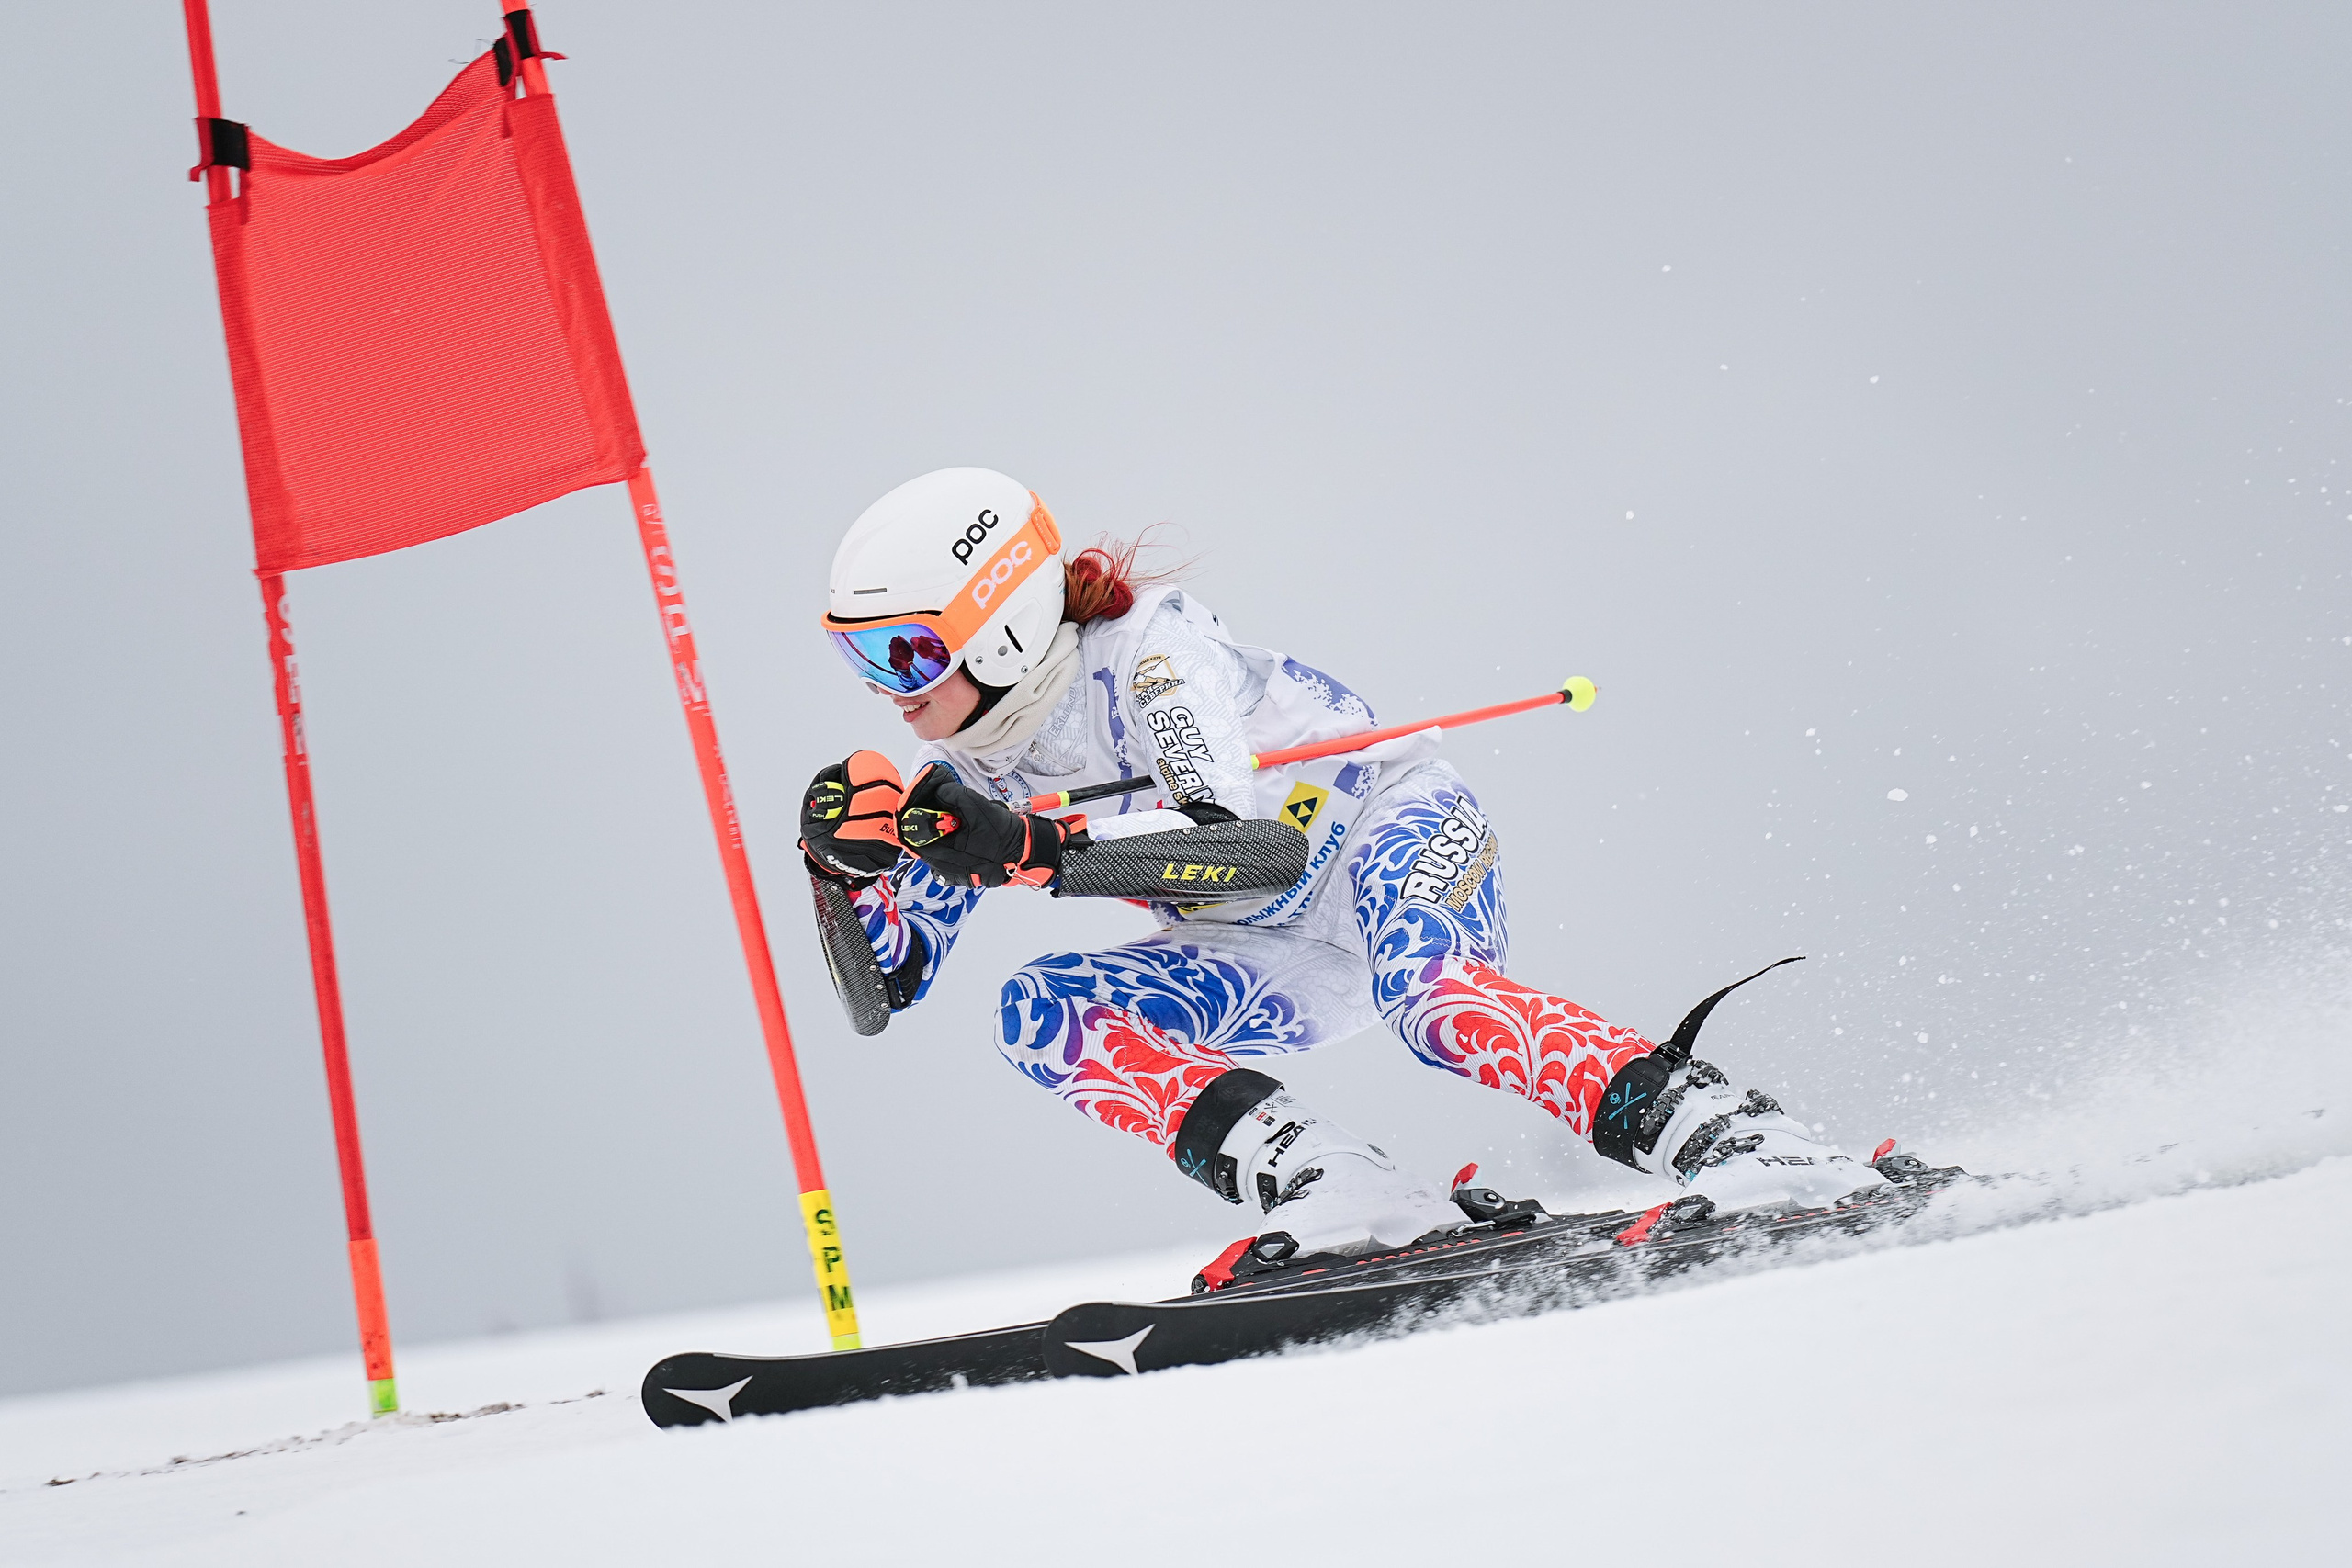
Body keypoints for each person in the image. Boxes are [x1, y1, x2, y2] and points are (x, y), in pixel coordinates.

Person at [801, 467, 1888, 1280]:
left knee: (1434, 1001)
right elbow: (882, 988)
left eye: (900, 653)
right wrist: (839, 867)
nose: (885, 691)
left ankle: (1741, 1140)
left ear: (997, 628)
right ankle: (1347, 1190)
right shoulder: (960, 770)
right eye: (857, 659)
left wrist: (1038, 855)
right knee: (1041, 1011)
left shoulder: (1151, 666)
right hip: (1261, 948)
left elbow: (1251, 847)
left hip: (1385, 834)